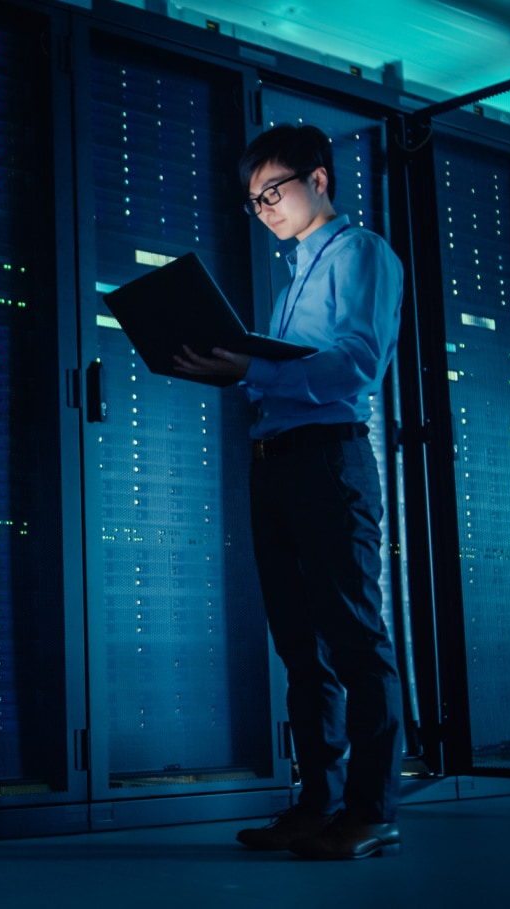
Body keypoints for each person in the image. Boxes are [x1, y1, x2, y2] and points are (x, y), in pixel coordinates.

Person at [171, 124, 405, 860]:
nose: (264, 205)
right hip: (275, 462)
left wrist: (250, 370)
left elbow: (354, 368)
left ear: (321, 179)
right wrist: (226, 364)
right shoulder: (289, 283)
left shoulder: (360, 253)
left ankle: (370, 810)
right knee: (301, 650)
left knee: (354, 640)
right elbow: (280, 375)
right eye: (253, 199)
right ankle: (317, 804)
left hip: (327, 463)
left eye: (273, 189)